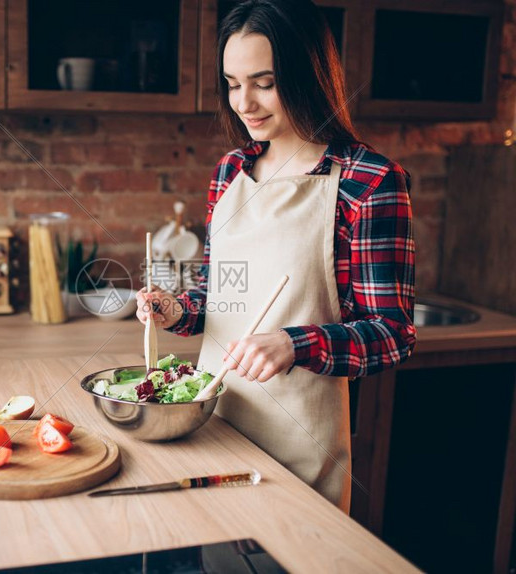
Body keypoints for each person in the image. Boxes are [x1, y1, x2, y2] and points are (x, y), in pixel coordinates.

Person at [136, 0, 416, 513]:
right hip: (212, 431)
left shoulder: (368, 181)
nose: (244, 103)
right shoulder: (230, 171)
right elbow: (220, 294)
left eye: (264, 82)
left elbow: (394, 333)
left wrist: (295, 345)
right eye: (232, 82)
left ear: (309, 75)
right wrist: (176, 310)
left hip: (299, 450)